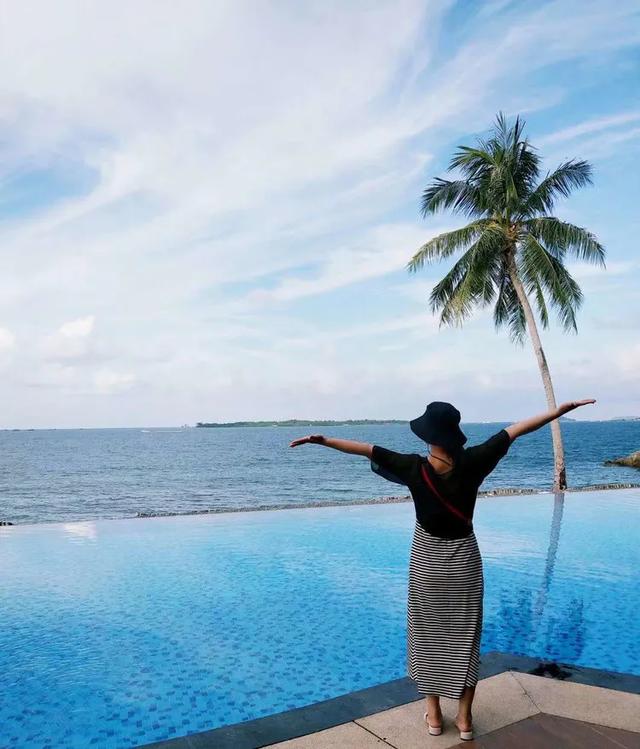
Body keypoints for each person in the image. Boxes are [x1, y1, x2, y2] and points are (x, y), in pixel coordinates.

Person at [290, 398, 595, 741]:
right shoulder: (476, 460)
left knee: (427, 637)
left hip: (427, 563)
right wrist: (561, 409)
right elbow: (519, 429)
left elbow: (365, 449)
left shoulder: (413, 467)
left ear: (428, 435)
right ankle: (464, 719)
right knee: (465, 639)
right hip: (465, 561)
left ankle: (434, 715)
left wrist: (324, 441)